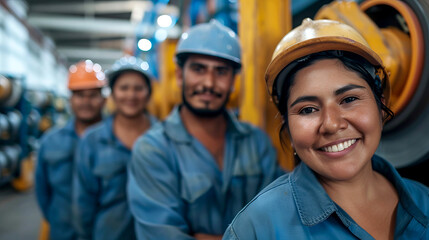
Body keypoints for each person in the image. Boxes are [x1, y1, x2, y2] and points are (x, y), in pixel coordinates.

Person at [223, 18, 429, 240]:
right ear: (288, 127)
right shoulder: (255, 229)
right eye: (308, 110)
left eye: (349, 99)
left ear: (381, 105)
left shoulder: (424, 202)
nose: (331, 124)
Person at [127, 19, 284, 240]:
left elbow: (281, 221)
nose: (209, 83)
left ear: (232, 81)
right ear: (180, 76)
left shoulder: (256, 143)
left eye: (221, 71)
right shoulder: (152, 150)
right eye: (198, 69)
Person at [72, 56, 157, 240]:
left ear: (148, 93)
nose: (131, 95)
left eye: (138, 88)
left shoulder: (164, 138)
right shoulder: (92, 141)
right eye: (123, 88)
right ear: (112, 93)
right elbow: (83, 203)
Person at [35, 60, 106, 240]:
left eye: (93, 95)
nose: (86, 102)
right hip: (62, 231)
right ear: (70, 99)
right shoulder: (50, 142)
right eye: (80, 95)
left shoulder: (116, 140)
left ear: (103, 99)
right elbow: (43, 192)